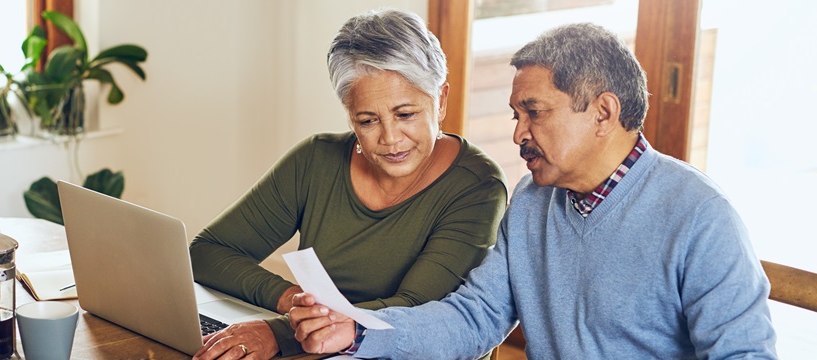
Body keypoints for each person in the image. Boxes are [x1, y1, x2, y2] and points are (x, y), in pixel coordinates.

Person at [289, 22, 777, 359]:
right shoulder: (531, 202)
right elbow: (474, 317)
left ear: (603, 113)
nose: (519, 133)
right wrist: (356, 332)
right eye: (515, 115)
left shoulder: (699, 216)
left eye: (534, 112)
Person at [188, 8, 509, 360]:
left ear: (441, 100)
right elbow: (207, 252)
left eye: (406, 115)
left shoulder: (478, 186)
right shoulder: (317, 159)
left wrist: (281, 333)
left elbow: (416, 309)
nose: (390, 138)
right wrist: (292, 301)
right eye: (368, 120)